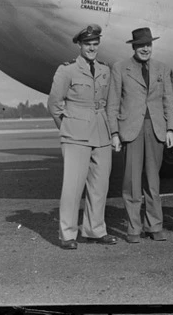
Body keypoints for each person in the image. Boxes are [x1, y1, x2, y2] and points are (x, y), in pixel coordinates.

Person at [47, 24, 118, 250]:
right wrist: (67, 127)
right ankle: (67, 234)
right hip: (76, 134)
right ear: (80, 45)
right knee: (73, 186)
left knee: (100, 186)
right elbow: (54, 104)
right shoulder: (67, 70)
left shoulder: (105, 70)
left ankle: (95, 230)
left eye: (95, 44)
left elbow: (107, 103)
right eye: (88, 44)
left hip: (101, 132)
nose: (92, 48)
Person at [107, 27, 173, 243]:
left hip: (156, 129)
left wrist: (170, 129)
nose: (145, 49)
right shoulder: (120, 68)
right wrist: (115, 132)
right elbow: (113, 103)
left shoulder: (162, 69)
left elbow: (168, 100)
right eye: (141, 45)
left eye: (148, 45)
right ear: (134, 47)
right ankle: (133, 228)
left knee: (153, 181)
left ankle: (154, 225)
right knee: (132, 182)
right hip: (131, 130)